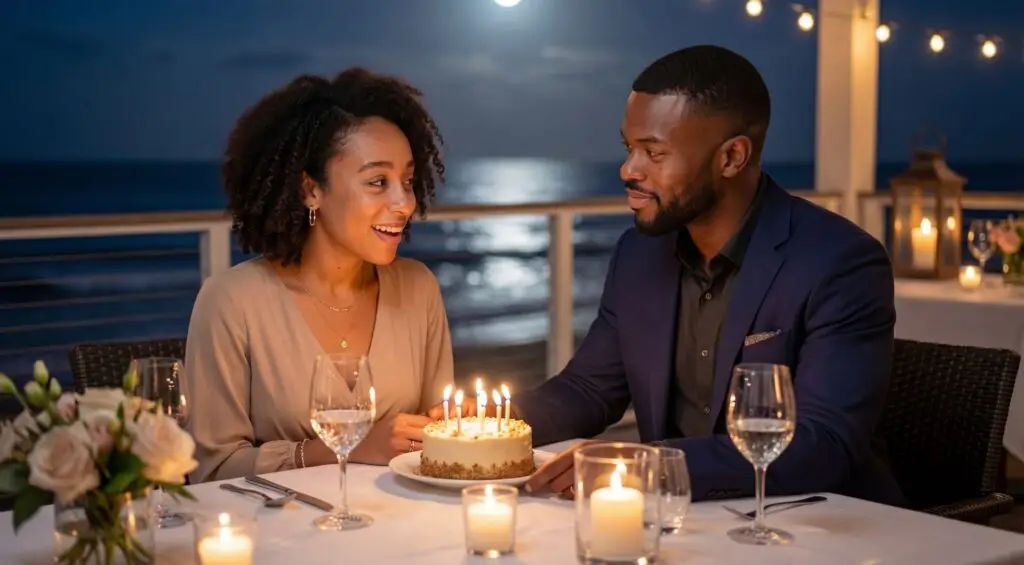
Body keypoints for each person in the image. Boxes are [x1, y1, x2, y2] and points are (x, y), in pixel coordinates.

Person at [513, 45, 905, 506]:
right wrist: (481, 427)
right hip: (682, 523)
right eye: (629, 148)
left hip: (818, 528)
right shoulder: (639, 254)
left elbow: (822, 446)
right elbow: (588, 390)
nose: (628, 170)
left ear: (732, 157)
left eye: (653, 152)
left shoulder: (840, 262)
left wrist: (644, 464)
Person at [185, 68, 455, 483]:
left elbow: (436, 444)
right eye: (377, 182)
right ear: (311, 190)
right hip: (280, 535)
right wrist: (346, 448)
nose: (404, 202)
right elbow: (213, 470)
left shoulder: (418, 289)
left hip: (400, 527)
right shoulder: (231, 301)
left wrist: (455, 426)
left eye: (407, 180)